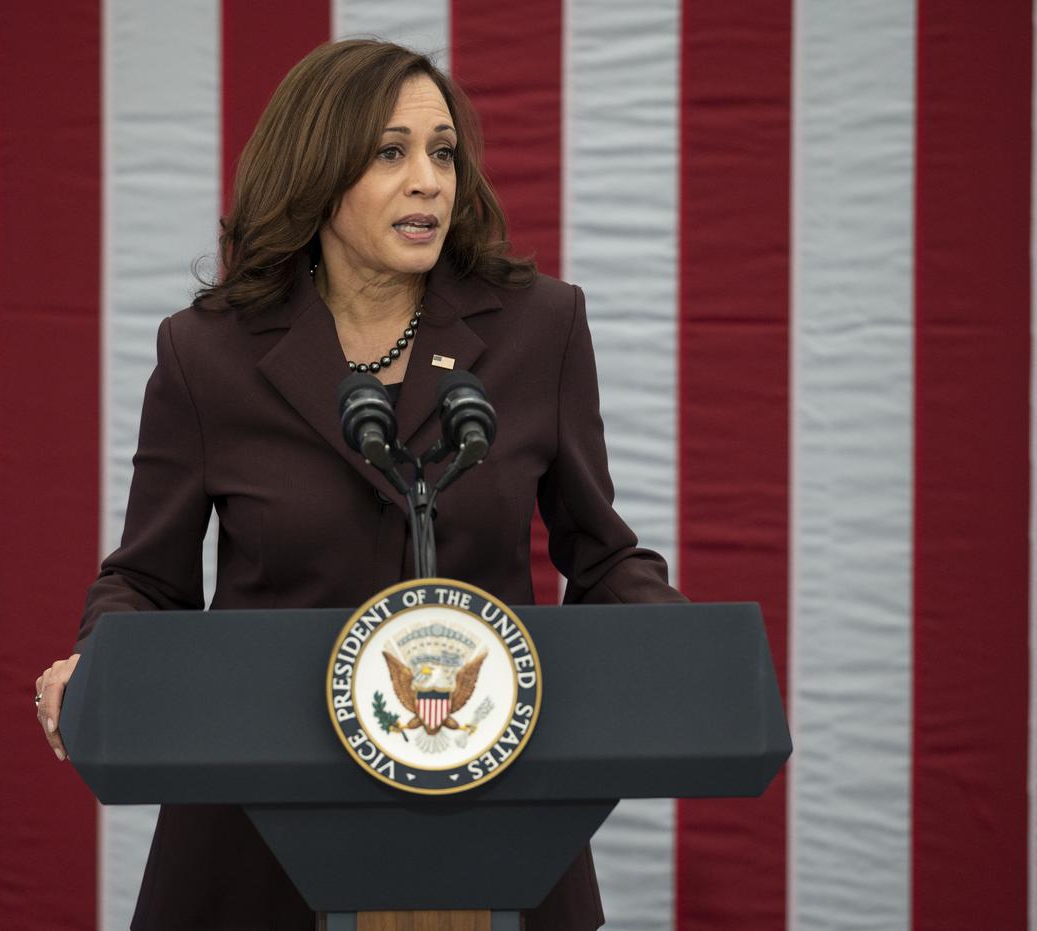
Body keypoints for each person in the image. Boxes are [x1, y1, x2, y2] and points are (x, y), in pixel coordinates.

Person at [34, 38, 684, 931]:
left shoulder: (542, 327)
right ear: (317, 171)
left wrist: (683, 649)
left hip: (489, 818)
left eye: (443, 152)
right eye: (391, 152)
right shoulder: (208, 354)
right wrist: (98, 660)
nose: (429, 181)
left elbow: (601, 553)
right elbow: (147, 578)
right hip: (258, 832)